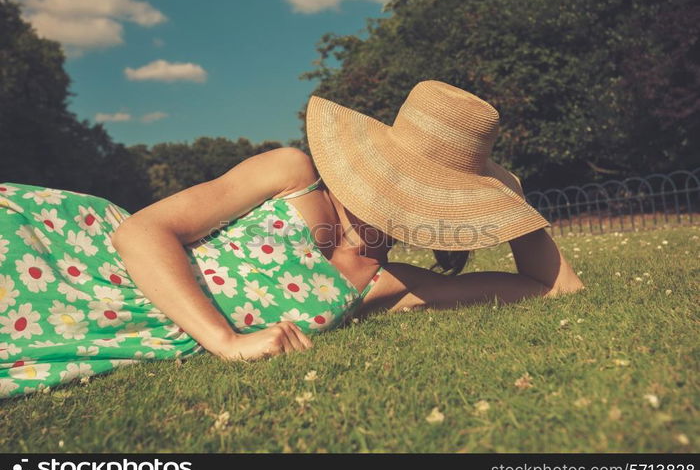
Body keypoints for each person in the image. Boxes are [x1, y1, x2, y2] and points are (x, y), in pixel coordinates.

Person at [0, 80, 583, 399]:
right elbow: (140, 231)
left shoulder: (383, 283)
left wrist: (511, 206)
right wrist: (226, 342)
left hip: (115, 321)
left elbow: (552, 289)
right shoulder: (291, 175)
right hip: (65, 254)